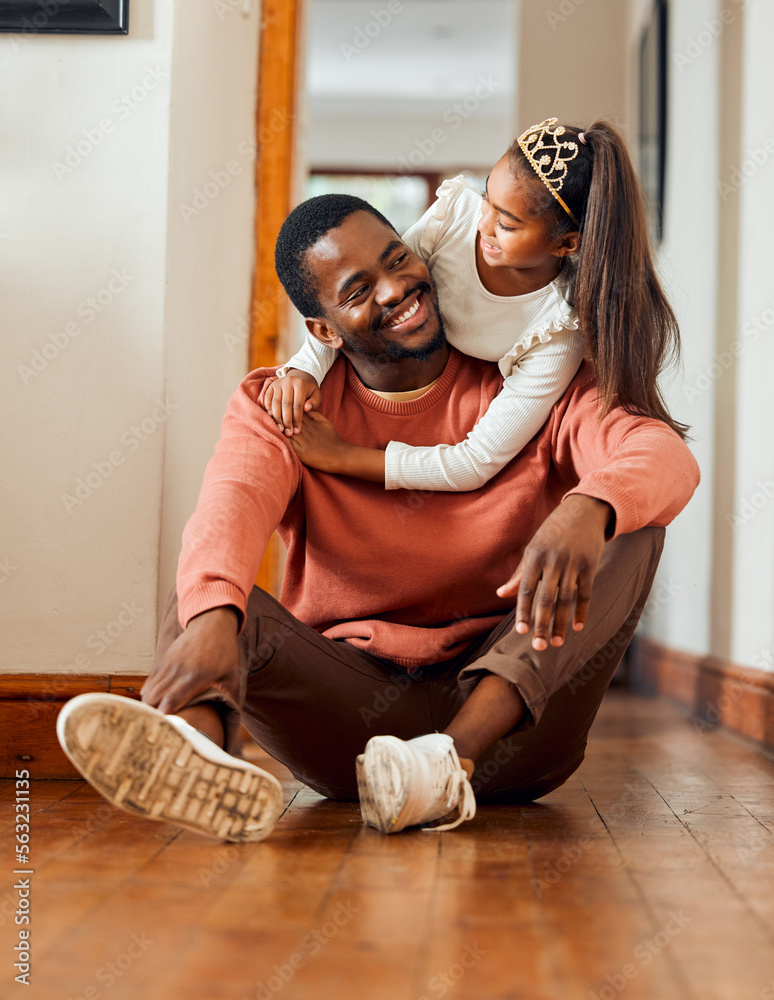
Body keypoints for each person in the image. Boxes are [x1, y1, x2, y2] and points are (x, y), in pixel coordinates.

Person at [57, 185, 700, 844]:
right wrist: (215, 621)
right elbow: (234, 500)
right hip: (353, 725)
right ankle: (200, 744)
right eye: (360, 290)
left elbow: (664, 457)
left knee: (631, 519)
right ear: (323, 330)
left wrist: (589, 505)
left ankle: (445, 763)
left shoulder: (534, 385)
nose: (395, 290)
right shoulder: (287, 405)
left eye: (399, 261)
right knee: (207, 590)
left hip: (513, 727)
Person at [263, 118, 686, 490]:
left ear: (566, 243)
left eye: (506, 223)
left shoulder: (556, 328)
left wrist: (341, 456)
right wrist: (304, 368)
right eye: (488, 198)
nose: (484, 226)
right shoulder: (454, 222)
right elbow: (363, 297)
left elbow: (474, 462)